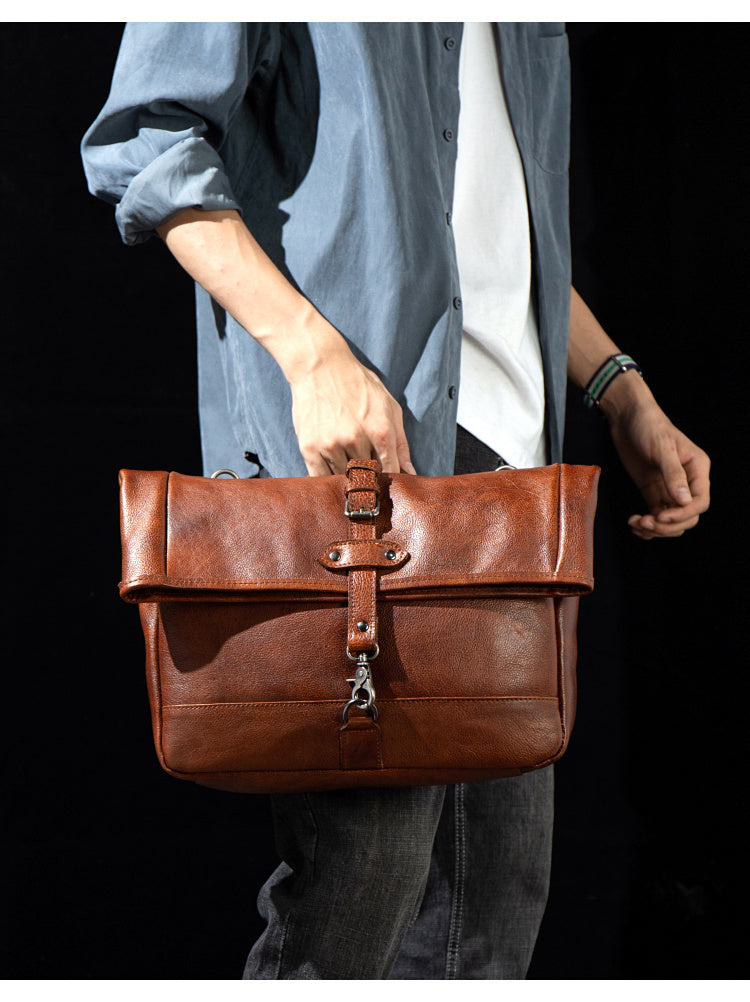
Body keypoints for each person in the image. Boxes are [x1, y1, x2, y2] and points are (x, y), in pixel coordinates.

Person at [82, 22, 710, 979]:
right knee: (360, 891)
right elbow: (146, 139)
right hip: (361, 461)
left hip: (514, 482)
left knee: (496, 906)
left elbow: (500, 236)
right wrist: (309, 352)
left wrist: (621, 392)